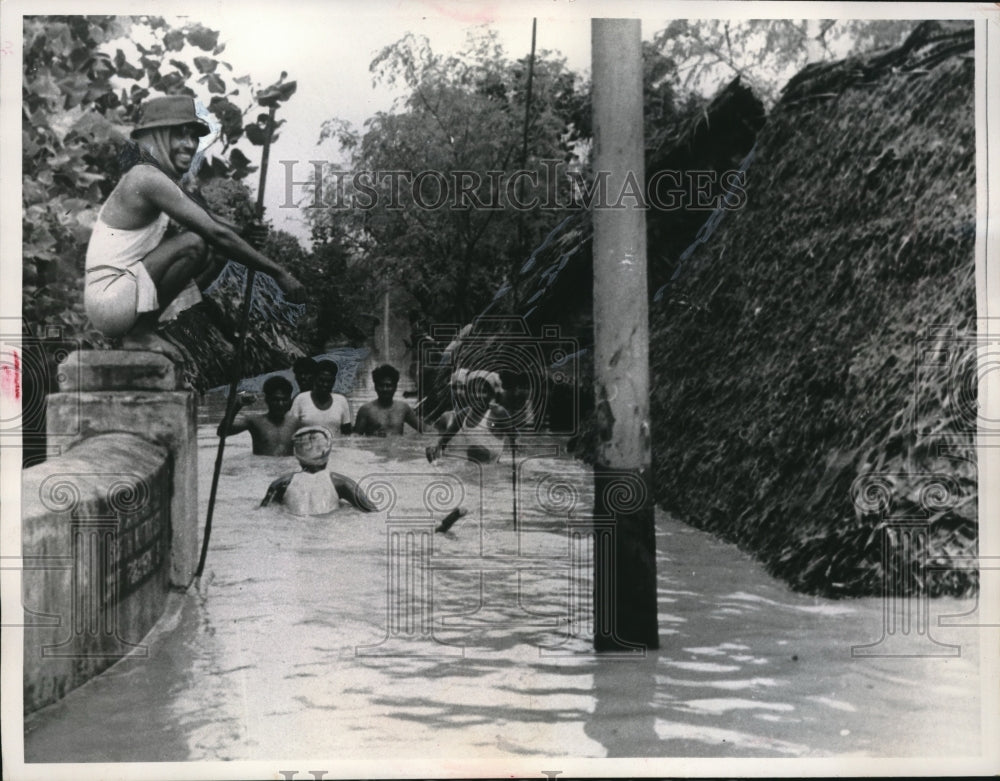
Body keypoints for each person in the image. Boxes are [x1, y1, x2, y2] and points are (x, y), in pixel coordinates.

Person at [84, 95, 305, 355]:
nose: (189, 145)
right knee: (195, 243)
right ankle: (140, 333)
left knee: (216, 251)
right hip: (110, 299)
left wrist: (245, 234)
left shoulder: (160, 180)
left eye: (193, 137)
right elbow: (213, 231)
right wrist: (280, 274)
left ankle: (158, 324)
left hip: (120, 297)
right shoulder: (145, 177)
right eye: (179, 135)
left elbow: (211, 220)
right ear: (156, 137)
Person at [260, 426, 376, 516]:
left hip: (294, 533)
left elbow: (264, 513)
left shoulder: (281, 483)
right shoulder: (341, 483)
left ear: (296, 454)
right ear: (328, 451)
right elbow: (372, 511)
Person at [426, 374, 515, 464]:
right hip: (472, 465)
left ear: (490, 395)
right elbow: (443, 440)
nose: (477, 395)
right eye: (473, 392)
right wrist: (434, 448)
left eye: (483, 391)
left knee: (477, 451)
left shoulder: (498, 412)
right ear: (468, 395)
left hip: (491, 465)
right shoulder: (463, 414)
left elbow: (514, 438)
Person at [216, 375, 297, 456]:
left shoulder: (296, 423)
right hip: (261, 466)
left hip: (287, 466)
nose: (280, 404)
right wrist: (236, 407)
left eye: (284, 400)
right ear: (267, 399)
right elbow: (222, 432)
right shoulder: (255, 422)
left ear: (290, 399)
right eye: (275, 400)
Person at [354, 364, 421, 436]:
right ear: (375, 387)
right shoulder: (366, 410)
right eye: (381, 385)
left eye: (388, 385)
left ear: (395, 387)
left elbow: (424, 428)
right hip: (375, 446)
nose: (385, 389)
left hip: (398, 446)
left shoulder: (403, 408)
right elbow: (355, 437)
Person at [289, 359, 352, 435]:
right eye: (321, 380)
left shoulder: (341, 401)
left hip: (335, 446)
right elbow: (290, 430)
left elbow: (347, 433)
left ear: (334, 381)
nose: (325, 384)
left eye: (328, 381)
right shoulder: (299, 399)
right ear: (315, 379)